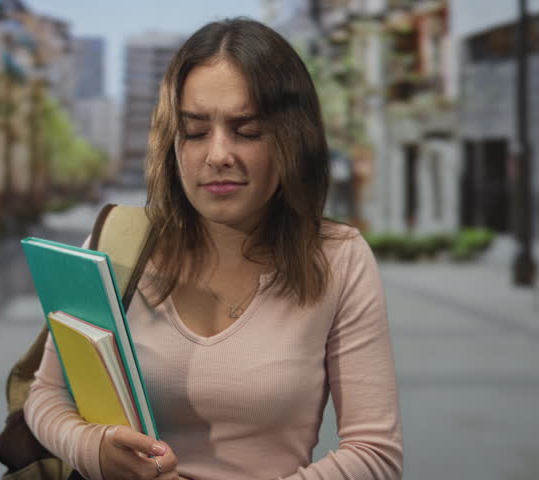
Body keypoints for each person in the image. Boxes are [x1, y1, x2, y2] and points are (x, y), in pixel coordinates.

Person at [24, 18, 402, 480]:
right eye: (197, 131)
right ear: (172, 140)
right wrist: (93, 447)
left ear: (292, 137)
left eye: (247, 130)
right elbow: (45, 395)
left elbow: (375, 454)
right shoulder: (115, 244)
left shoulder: (339, 257)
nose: (218, 154)